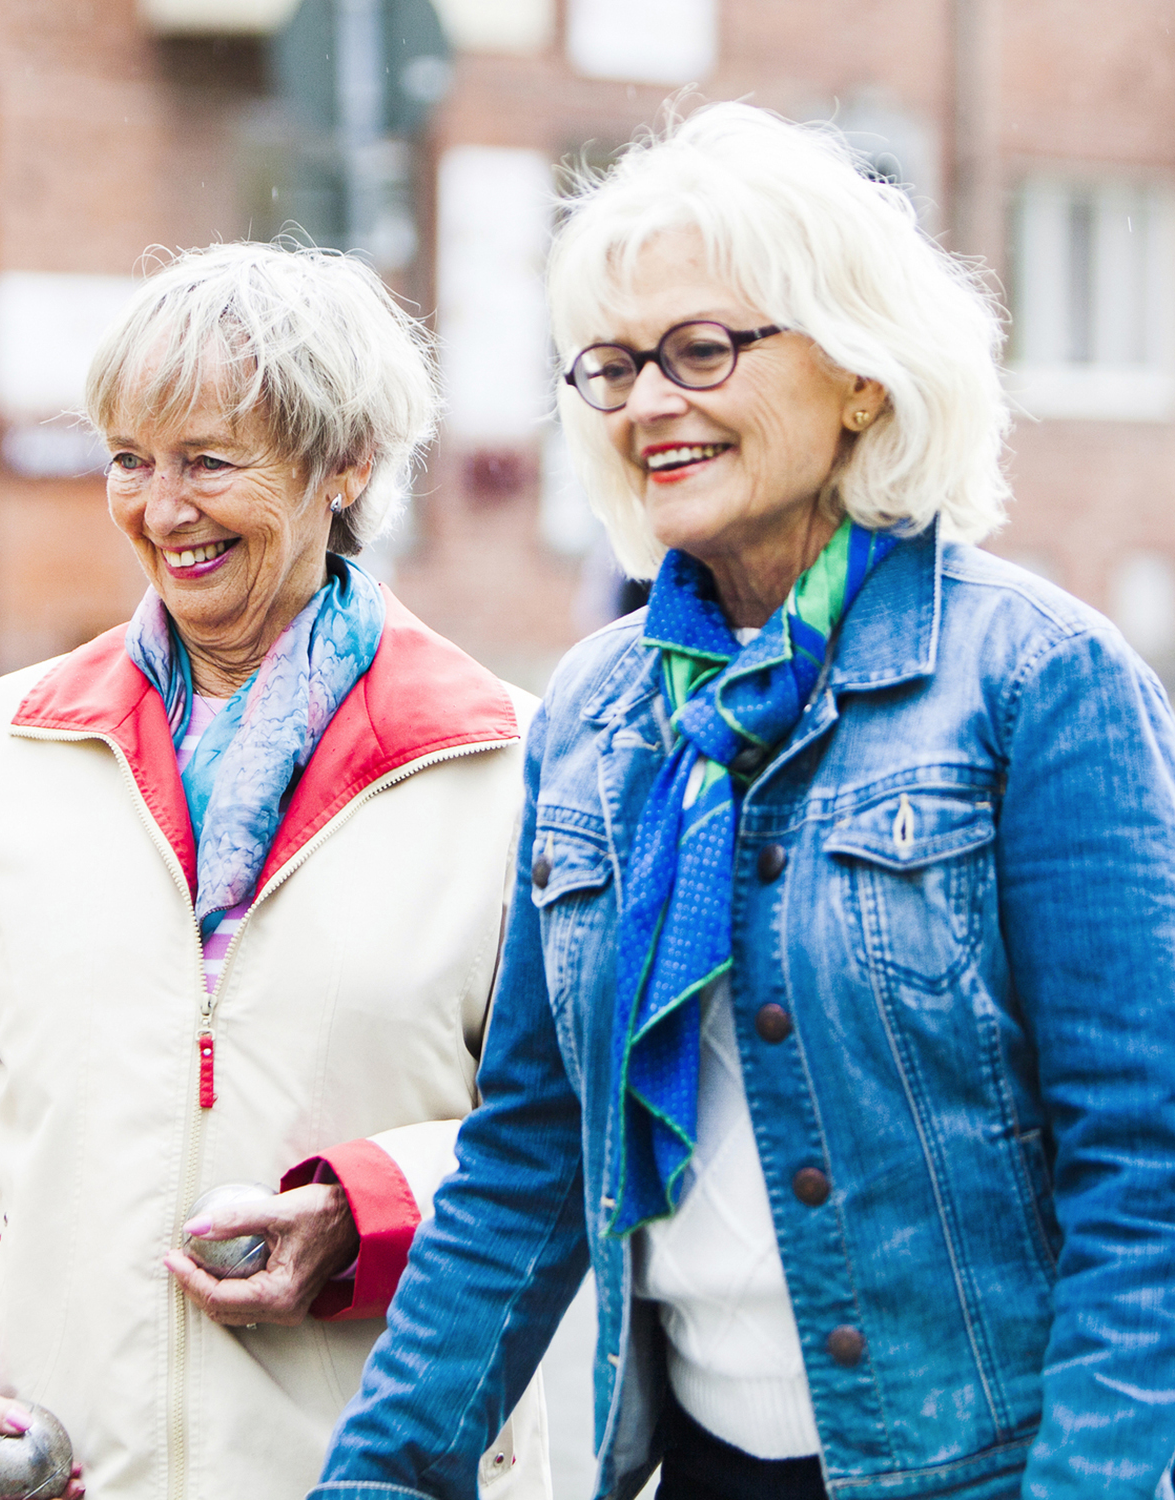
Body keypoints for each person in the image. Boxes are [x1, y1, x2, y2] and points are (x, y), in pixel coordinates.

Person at [309, 102, 1175, 1500]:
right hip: (702, 1469)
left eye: (703, 349)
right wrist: (383, 1474)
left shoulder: (1038, 683)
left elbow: (1145, 1177)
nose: (652, 400)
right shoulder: (598, 713)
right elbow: (532, 1152)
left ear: (861, 375)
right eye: (613, 365)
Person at [0, 242, 550, 1500]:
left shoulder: (514, 767)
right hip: (56, 1464)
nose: (160, 509)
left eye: (208, 461)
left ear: (346, 465)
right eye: (129, 462)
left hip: (375, 1464)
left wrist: (371, 1207)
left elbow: (572, 1135)